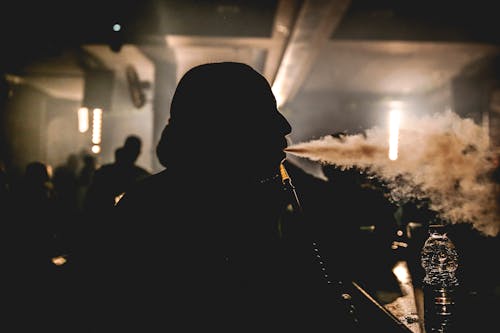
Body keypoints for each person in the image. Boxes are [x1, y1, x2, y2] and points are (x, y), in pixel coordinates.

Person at [82, 62, 361, 332]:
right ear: (222, 129)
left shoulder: (236, 199)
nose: (284, 126)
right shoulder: (158, 210)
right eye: (264, 113)